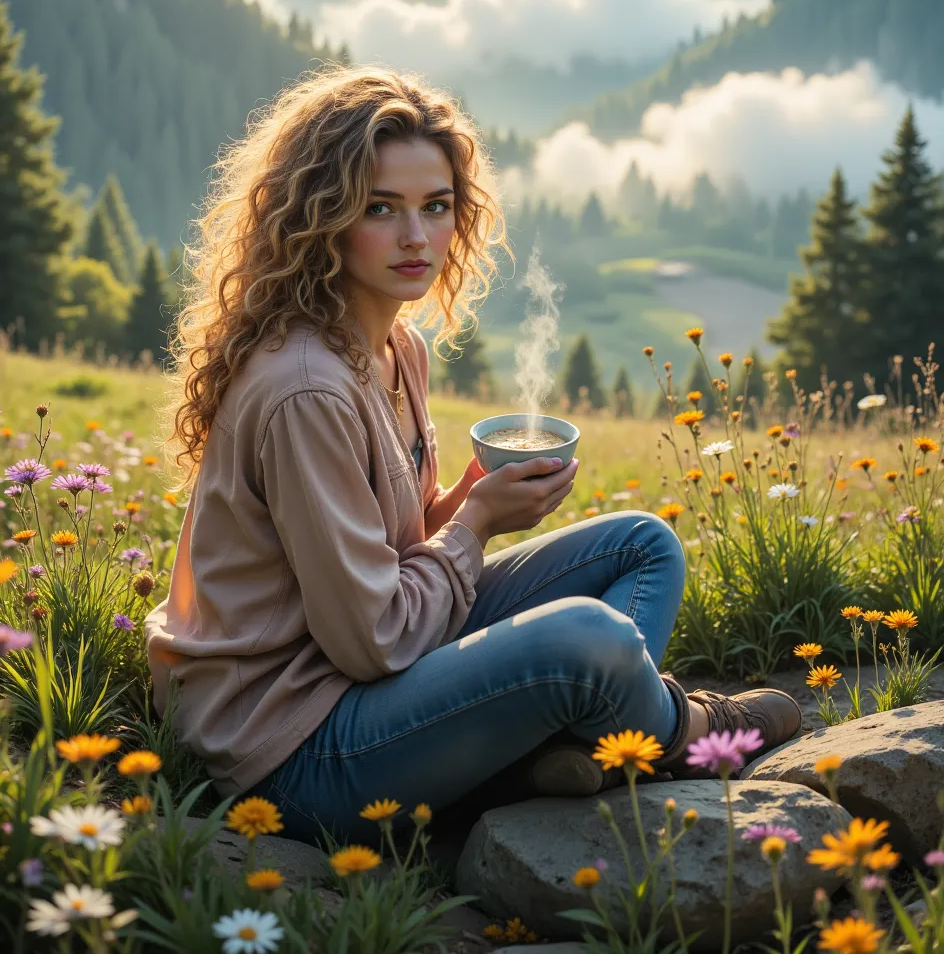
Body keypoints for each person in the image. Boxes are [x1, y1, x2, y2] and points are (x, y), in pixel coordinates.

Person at [145, 64, 800, 848]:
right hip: (292, 748)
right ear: (320, 217)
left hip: (356, 682)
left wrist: (459, 503)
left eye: (436, 207)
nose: (416, 237)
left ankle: (551, 754)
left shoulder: (396, 349)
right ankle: (686, 729)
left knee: (642, 545)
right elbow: (375, 639)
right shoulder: (306, 390)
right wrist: (478, 526)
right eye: (380, 209)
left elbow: (392, 548)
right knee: (588, 640)